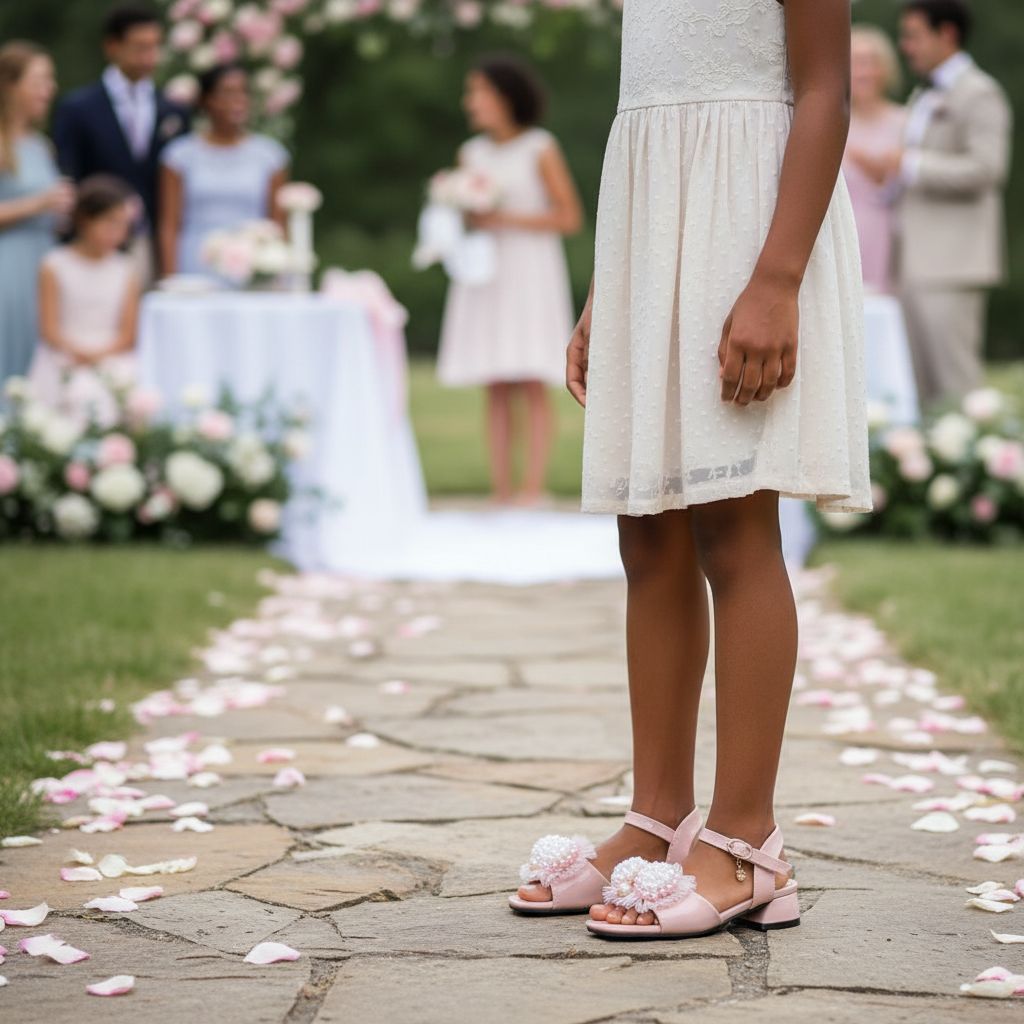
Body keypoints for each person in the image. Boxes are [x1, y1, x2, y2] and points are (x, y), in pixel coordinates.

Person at [509, 0, 870, 938]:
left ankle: (749, 840)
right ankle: (659, 815)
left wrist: (778, 278)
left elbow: (826, 92)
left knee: (732, 524)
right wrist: (610, 287)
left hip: (751, 227)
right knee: (650, 529)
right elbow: (655, 109)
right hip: (657, 228)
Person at [437, 56, 582, 507]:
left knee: (530, 379)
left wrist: (504, 217)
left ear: (505, 97)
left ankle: (532, 488)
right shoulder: (471, 153)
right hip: (486, 270)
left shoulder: (540, 147)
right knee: (496, 381)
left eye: (478, 91)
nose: (471, 102)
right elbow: (465, 215)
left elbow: (568, 216)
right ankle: (501, 490)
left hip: (529, 269)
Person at [896, 0, 1012, 407]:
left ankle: (980, 470)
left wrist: (908, 164)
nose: (905, 46)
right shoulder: (922, 94)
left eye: (913, 35)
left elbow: (987, 168)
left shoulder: (980, 93)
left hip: (953, 263)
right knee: (922, 391)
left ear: (947, 33)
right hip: (914, 262)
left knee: (957, 389)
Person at [53, 4, 190, 282]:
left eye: (154, 47)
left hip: (156, 244)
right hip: (97, 243)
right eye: (140, 47)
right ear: (112, 46)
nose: (149, 57)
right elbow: (69, 175)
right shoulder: (78, 109)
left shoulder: (174, 111)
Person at [158, 63, 289, 279]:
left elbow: (277, 225)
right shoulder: (179, 156)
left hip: (252, 270)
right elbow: (169, 225)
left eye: (244, 92)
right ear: (207, 100)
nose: (238, 101)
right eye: (228, 93)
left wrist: (277, 273)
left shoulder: (270, 156)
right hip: (195, 266)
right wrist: (171, 278)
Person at [29, 175, 140, 426]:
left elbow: (128, 334)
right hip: (64, 353)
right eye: (109, 223)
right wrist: (78, 353)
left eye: (123, 225)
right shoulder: (54, 265)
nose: (117, 233)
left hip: (112, 354)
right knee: (77, 391)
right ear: (84, 219)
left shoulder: (126, 270)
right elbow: (49, 329)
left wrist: (100, 355)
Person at [0, 41, 73, 393]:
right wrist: (39, 203)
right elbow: (33, 203)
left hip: (45, 259)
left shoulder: (41, 145)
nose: (50, 89)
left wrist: (62, 211)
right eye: (41, 80)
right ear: (11, 85)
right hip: (9, 267)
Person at [843, 26, 907, 293]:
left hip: (889, 238)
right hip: (841, 233)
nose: (863, 72)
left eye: (870, 63)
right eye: (855, 63)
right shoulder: (832, 125)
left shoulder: (905, 121)